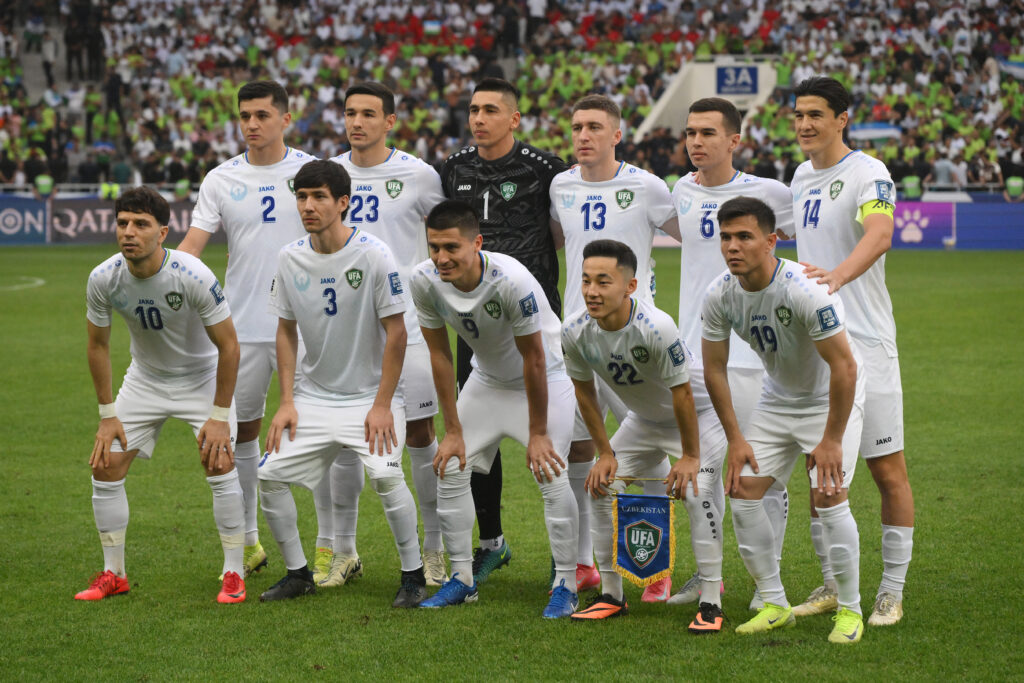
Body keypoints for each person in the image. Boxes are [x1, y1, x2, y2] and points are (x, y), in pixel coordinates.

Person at [257, 160, 426, 607]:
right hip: (313, 398)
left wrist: (382, 404)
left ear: (343, 202)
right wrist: (287, 401)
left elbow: (397, 333)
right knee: (268, 476)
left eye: (319, 197)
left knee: (387, 477)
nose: (308, 206)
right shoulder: (289, 257)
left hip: (370, 399)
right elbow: (285, 331)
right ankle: (298, 574)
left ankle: (413, 576)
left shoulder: (373, 254)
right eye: (301, 197)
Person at [702, 196, 866, 644]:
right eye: (726, 237)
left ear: (771, 241)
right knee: (743, 491)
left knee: (829, 496)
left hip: (829, 399)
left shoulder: (804, 289)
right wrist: (736, 439)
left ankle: (850, 611)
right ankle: (775, 605)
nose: (732, 246)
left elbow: (845, 367)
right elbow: (713, 368)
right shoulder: (720, 293)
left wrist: (831, 440)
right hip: (777, 400)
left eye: (744, 236)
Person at [410, 200, 579, 618]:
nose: (441, 258)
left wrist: (537, 433)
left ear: (477, 244)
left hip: (544, 379)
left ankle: (566, 584)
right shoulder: (423, 280)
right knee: (450, 466)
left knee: (551, 472)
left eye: (452, 247)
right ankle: (462, 580)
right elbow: (440, 356)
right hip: (486, 381)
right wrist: (452, 430)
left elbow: (534, 358)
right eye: (434, 247)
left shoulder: (511, 280)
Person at [76, 186, 245, 604]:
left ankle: (234, 573)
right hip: (145, 379)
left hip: (201, 379)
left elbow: (229, 347)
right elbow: (97, 345)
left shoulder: (193, 275)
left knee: (219, 462)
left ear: (163, 232)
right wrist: (107, 414)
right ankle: (114, 573)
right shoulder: (103, 277)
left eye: (141, 224)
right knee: (105, 465)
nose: (129, 232)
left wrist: (219, 415)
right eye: (122, 223)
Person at [791, 76, 915, 627]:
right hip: (819, 346)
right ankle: (832, 584)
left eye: (816, 114)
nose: (804, 124)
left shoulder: (869, 172)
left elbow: (880, 234)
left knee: (887, 469)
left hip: (868, 342)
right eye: (799, 115)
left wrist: (837, 278)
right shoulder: (799, 177)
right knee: (820, 468)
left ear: (842, 119)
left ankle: (891, 591)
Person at [179, 81, 315, 579]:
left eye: (262, 115)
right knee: (241, 434)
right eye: (245, 116)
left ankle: (336, 548)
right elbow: (193, 247)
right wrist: (161, 274)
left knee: (326, 435)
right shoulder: (220, 179)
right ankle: (249, 543)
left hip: (310, 327)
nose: (252, 124)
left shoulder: (312, 172)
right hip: (243, 328)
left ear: (285, 119)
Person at [548, 93, 681, 601]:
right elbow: (556, 241)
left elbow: (691, 236)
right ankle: (586, 563)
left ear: (617, 134)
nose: (584, 136)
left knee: (647, 454)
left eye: (595, 127)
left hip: (635, 343)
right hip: (579, 340)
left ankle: (655, 566)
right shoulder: (561, 185)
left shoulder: (647, 186)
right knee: (579, 449)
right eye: (577, 127)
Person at [316, 82, 448, 588]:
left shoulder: (419, 175)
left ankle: (433, 549)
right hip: (344, 331)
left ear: (390, 121)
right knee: (342, 439)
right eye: (350, 113)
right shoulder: (329, 174)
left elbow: (445, 235)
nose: (357, 122)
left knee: (420, 434)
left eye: (369, 114)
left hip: (407, 325)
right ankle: (344, 552)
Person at [562, 240, 729, 633]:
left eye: (603, 282)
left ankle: (711, 601)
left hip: (701, 416)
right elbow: (584, 392)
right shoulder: (574, 330)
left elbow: (683, 394)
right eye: (586, 281)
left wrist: (690, 457)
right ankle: (612, 596)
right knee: (600, 485)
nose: (591, 291)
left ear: (630, 286)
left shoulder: (656, 326)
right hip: (645, 420)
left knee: (696, 492)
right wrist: (605, 452)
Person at [439, 77, 567, 584]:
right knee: (476, 446)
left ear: (514, 118)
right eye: (473, 110)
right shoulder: (454, 168)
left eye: (491, 110)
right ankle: (491, 542)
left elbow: (562, 231)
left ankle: (567, 559)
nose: (479, 118)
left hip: (535, 320)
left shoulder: (544, 169)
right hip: (476, 323)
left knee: (558, 443)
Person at [668, 97, 794, 609]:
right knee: (699, 476)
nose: (696, 142)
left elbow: (805, 243)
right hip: (691, 356)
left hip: (751, 359)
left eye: (707, 133)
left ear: (734, 140)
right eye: (690, 133)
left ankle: (769, 582)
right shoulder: (681, 190)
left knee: (758, 472)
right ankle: (708, 578)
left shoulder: (770, 193)